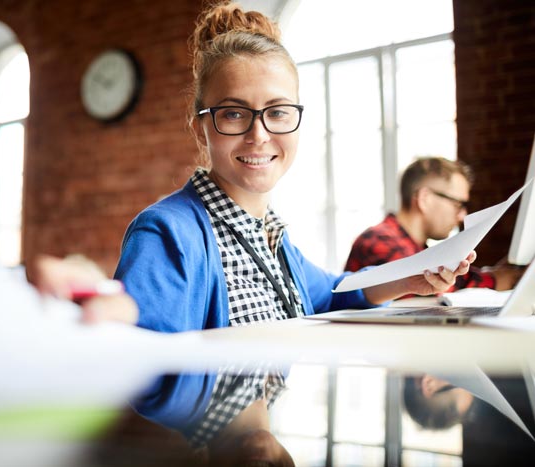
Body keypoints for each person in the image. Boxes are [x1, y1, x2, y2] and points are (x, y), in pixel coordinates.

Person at [112, 1, 475, 452]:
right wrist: (229, 434)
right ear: (200, 127)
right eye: (233, 113)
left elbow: (334, 291)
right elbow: (138, 375)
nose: (259, 134)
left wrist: (415, 276)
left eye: (278, 112)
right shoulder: (167, 234)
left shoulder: (271, 237)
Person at [345, 156, 524, 291]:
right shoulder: (378, 241)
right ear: (425, 199)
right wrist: (494, 280)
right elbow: (425, 286)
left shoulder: (417, 248)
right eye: (457, 204)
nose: (462, 215)